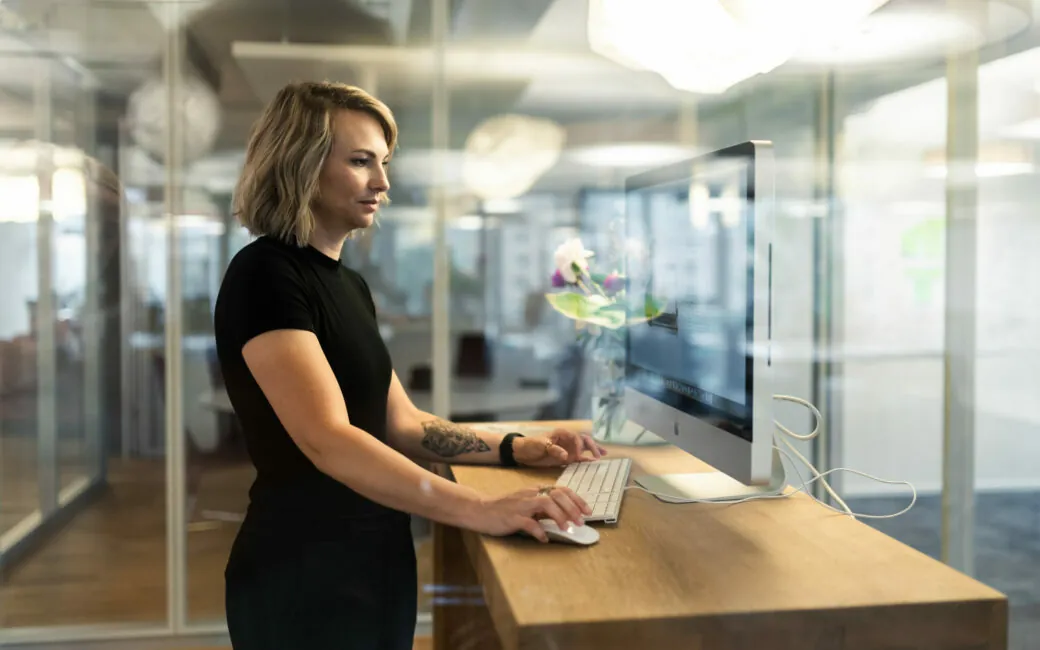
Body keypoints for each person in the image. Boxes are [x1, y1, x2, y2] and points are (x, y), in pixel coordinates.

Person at [214, 81, 606, 650]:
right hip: (303, 574)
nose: (383, 182)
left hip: (375, 555)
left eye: (384, 163)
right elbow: (329, 439)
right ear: (299, 165)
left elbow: (401, 423)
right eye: (359, 162)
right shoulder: (265, 275)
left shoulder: (349, 285)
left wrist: (514, 446)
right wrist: (478, 508)